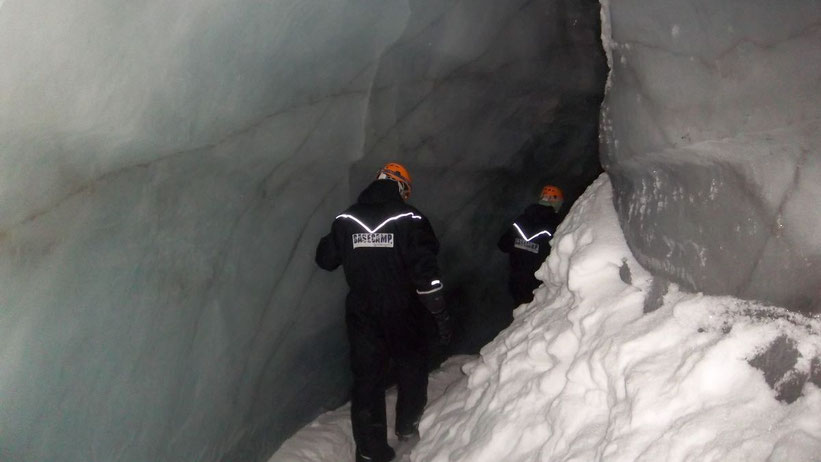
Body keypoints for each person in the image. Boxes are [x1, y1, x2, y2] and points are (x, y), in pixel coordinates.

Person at [315, 162, 452, 462]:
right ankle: (406, 425)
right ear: (401, 187)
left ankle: (370, 450)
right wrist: (439, 312)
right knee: (412, 366)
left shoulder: (346, 219)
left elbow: (325, 259)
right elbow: (425, 270)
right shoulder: (410, 218)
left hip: (363, 312)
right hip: (403, 309)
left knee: (367, 380)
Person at [498, 185, 564, 305]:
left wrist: (520, 244)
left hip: (517, 282)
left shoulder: (521, 221)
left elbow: (503, 245)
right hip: (538, 285)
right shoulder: (555, 226)